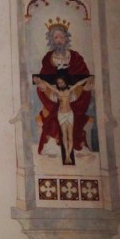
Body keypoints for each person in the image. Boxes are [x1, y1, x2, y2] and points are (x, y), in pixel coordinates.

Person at [35, 22, 93, 164]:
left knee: (76, 124)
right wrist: (43, 87)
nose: (59, 40)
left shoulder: (75, 57)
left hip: (75, 99)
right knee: (51, 121)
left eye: (62, 37)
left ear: (67, 38)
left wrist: (84, 89)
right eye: (56, 37)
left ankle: (73, 153)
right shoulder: (48, 58)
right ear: (51, 40)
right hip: (54, 99)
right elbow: (44, 81)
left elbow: (84, 79)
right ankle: (56, 149)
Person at [33, 75, 94, 164]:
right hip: (61, 114)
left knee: (70, 136)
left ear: (65, 82)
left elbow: (78, 84)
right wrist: (40, 80)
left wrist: (87, 79)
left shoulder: (70, 90)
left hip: (69, 114)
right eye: (59, 83)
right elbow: (48, 85)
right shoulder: (57, 92)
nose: (60, 84)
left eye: (62, 82)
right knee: (64, 135)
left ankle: (69, 155)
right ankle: (67, 156)